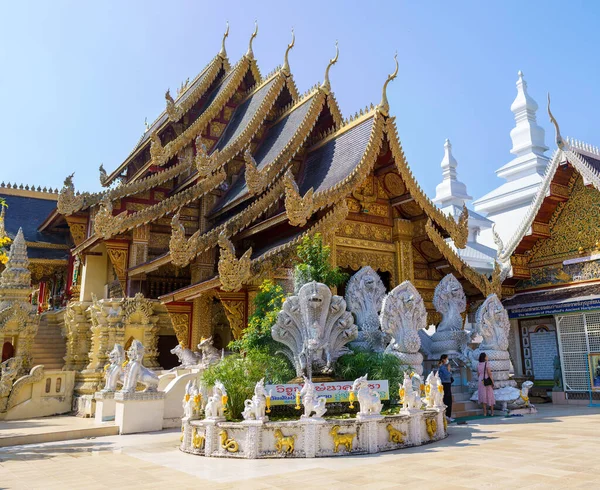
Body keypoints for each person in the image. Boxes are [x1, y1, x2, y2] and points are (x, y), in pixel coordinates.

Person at [438, 354, 454, 422]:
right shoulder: (442, 367)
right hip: (445, 384)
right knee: (447, 400)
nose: (447, 360)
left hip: (447, 384)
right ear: (444, 359)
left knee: (449, 400)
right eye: (447, 359)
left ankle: (448, 416)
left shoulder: (443, 366)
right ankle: (447, 416)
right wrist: (449, 370)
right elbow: (447, 375)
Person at [478, 352, 495, 416]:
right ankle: (492, 412)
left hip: (481, 380)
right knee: (490, 394)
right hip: (486, 379)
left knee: (483, 395)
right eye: (486, 356)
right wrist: (492, 382)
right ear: (485, 357)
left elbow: (478, 373)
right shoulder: (487, 363)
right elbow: (489, 373)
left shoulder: (479, 364)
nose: (487, 357)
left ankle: (485, 413)